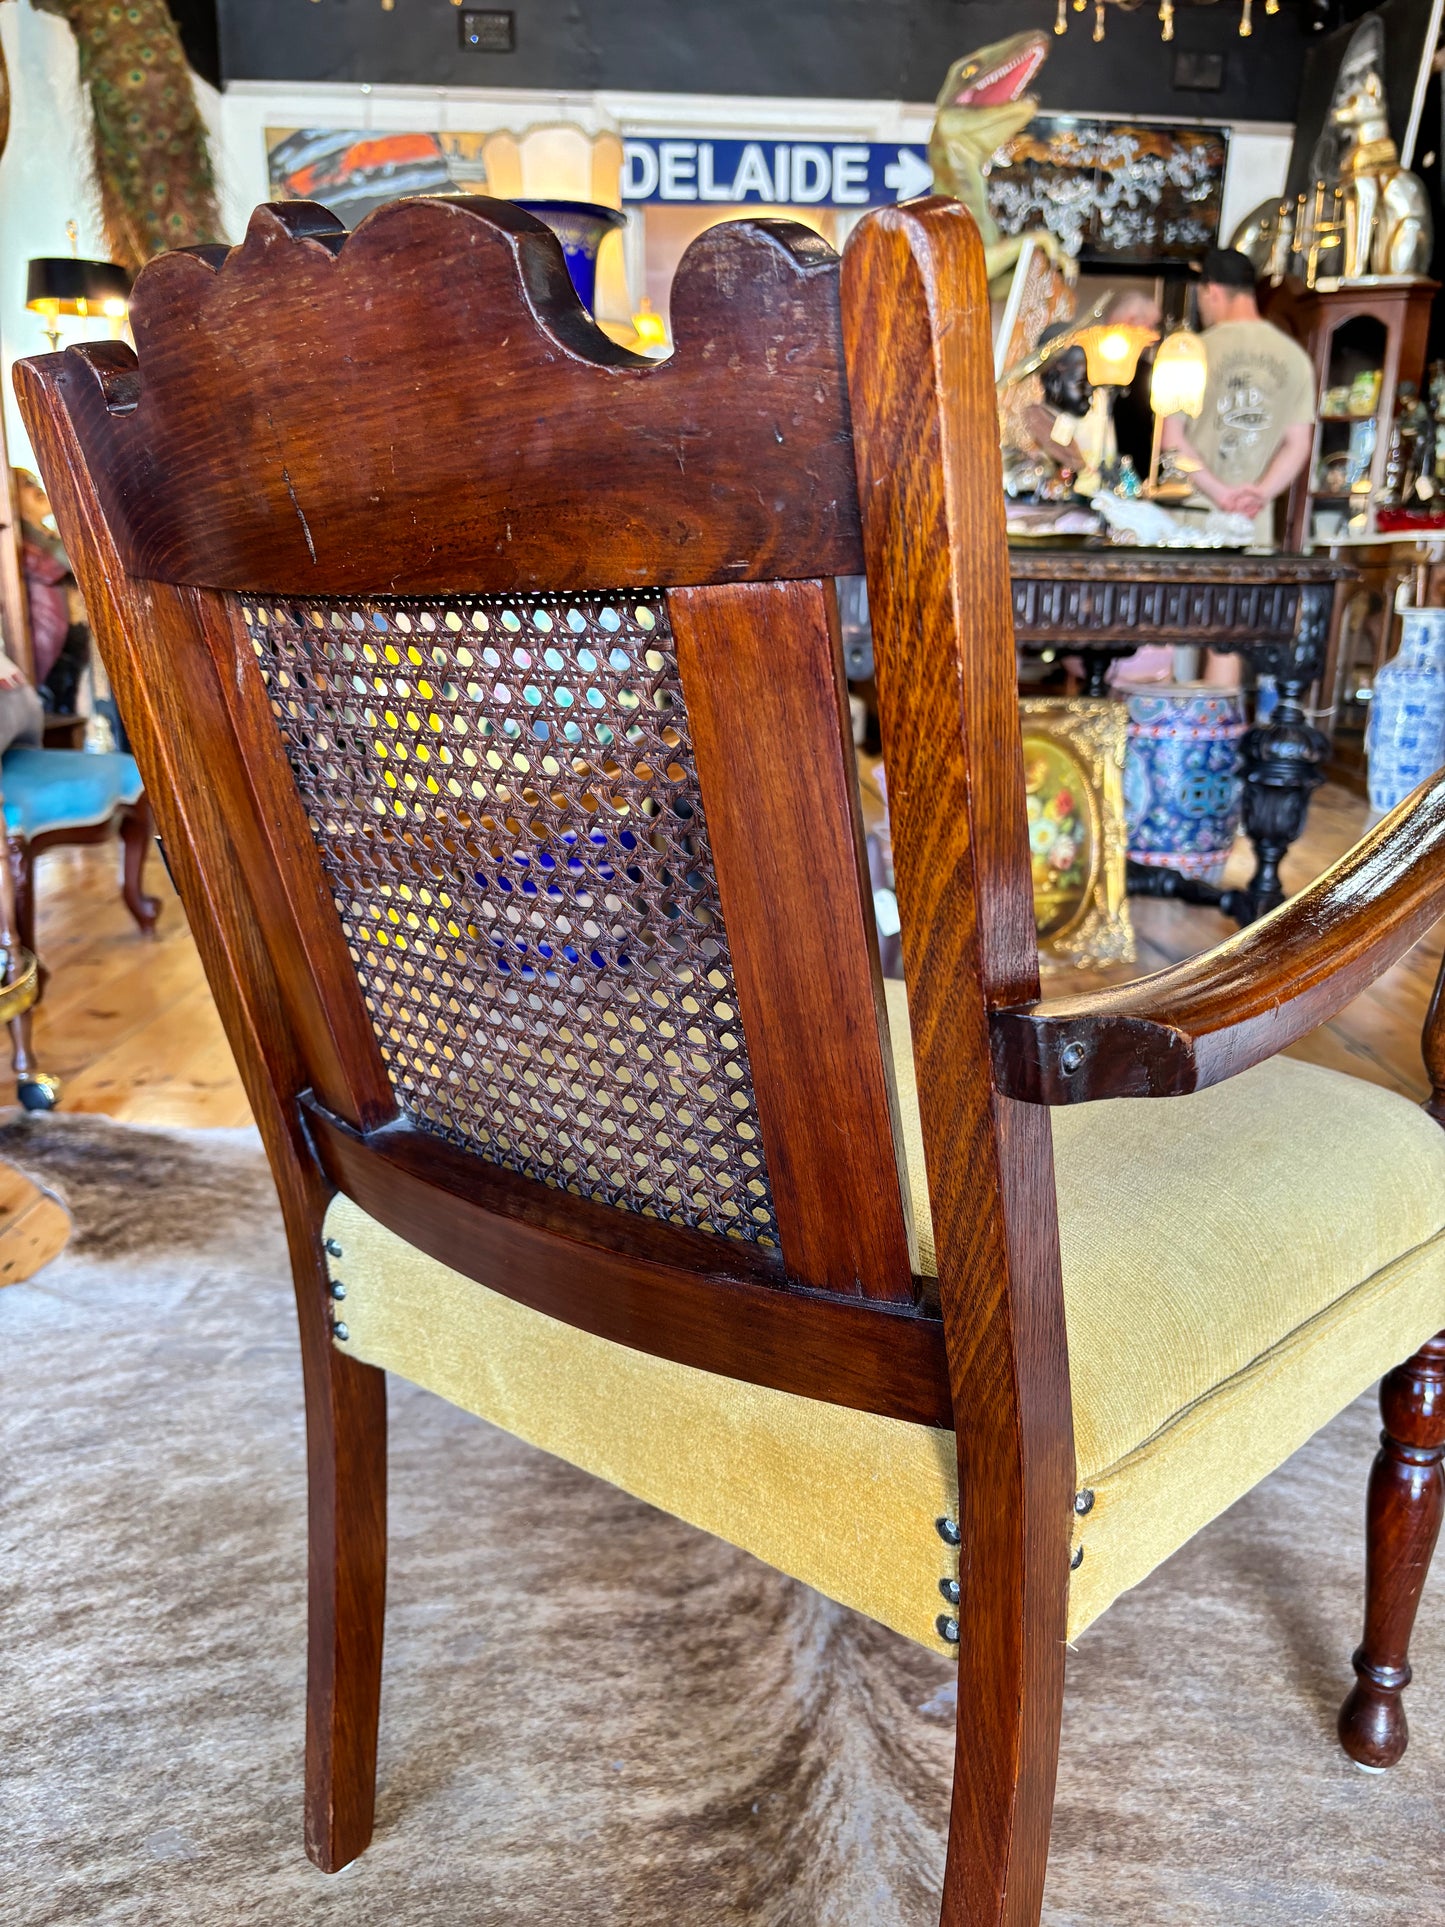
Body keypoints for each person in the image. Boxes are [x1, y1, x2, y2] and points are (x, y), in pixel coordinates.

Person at [1162, 246, 1315, 542]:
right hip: (1251, 527)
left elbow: (1171, 440)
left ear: (1212, 291)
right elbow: (1298, 444)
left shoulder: (1186, 352)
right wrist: (1259, 494)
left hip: (1192, 526)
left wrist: (1222, 495)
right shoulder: (1296, 359)